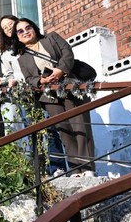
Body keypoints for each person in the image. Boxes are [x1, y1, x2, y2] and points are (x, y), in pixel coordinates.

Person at [15, 18, 96, 174]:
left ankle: (88, 168)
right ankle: (76, 171)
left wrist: (60, 70)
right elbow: (29, 78)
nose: (25, 32)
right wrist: (41, 80)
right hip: (49, 96)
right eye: (20, 31)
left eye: (28, 27)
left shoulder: (51, 38)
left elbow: (67, 53)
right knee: (64, 131)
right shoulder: (22, 58)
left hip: (70, 86)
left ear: (34, 28)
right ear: (17, 37)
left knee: (80, 127)